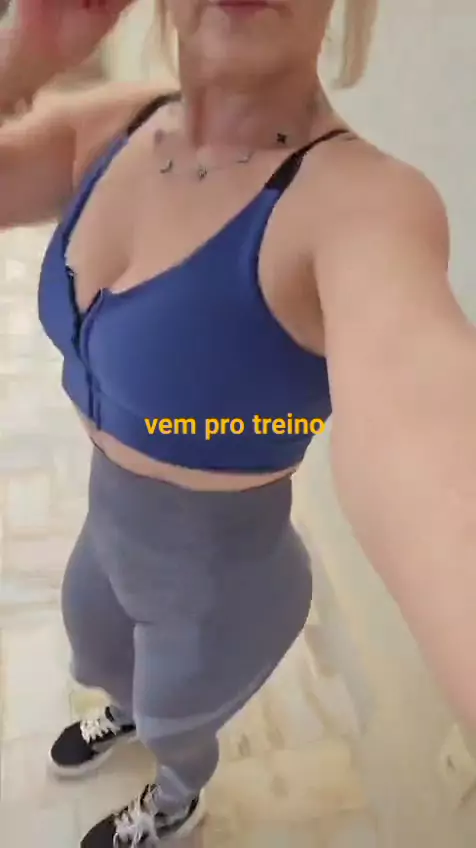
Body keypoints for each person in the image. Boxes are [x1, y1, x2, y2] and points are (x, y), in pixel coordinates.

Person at [2, 0, 476, 844]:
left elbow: (432, 440)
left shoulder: (361, 206)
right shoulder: (118, 125)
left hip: (221, 586)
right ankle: (128, 711)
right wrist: (20, 63)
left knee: (177, 716)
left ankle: (176, 799)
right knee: (101, 653)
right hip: (109, 531)